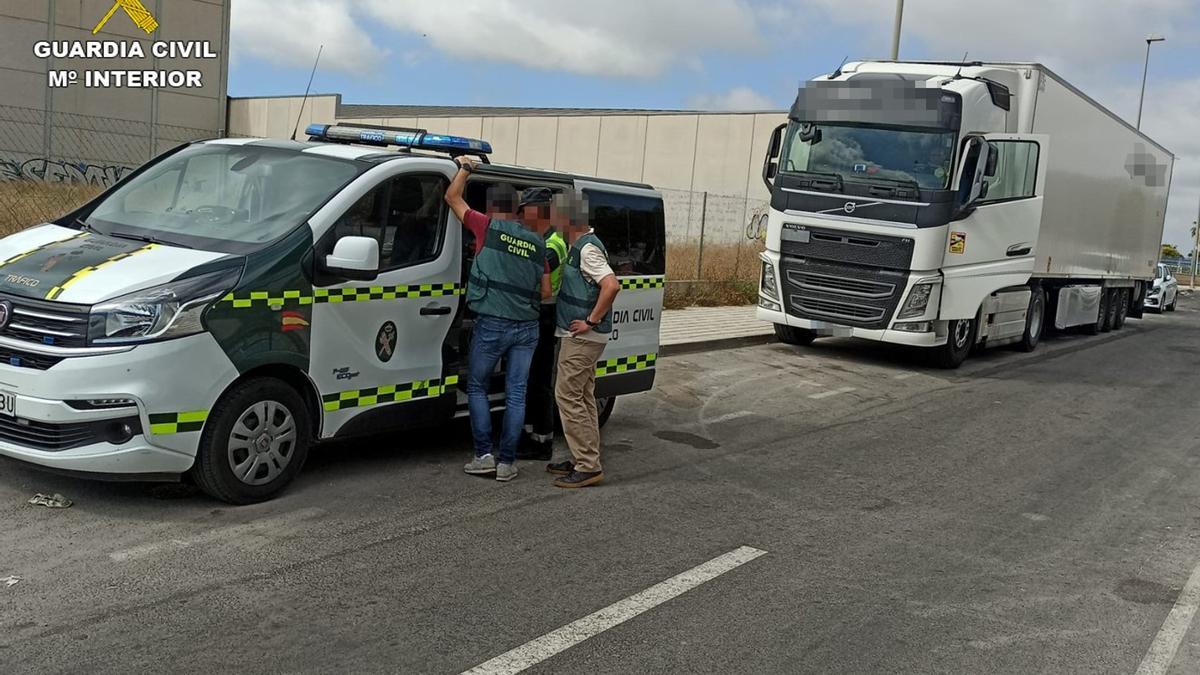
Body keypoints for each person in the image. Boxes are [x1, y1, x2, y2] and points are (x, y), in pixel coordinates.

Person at [444, 156, 549, 482]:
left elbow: (452, 198)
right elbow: (545, 291)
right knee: (516, 393)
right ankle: (506, 463)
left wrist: (465, 168)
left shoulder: (487, 227)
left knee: (476, 386)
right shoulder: (538, 244)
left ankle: (483, 456)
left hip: (492, 323)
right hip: (527, 328)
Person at [547, 195, 620, 488]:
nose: (553, 224)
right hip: (585, 336)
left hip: (582, 337)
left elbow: (611, 285)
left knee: (567, 396)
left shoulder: (587, 249)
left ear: (568, 219)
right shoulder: (582, 245)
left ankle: (588, 465)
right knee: (584, 395)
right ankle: (584, 457)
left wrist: (590, 320)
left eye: (555, 217)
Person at [518, 189, 568, 461]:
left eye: (526, 211)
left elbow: (536, 278)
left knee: (539, 380)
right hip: (538, 314)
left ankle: (542, 442)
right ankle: (528, 435)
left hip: (545, 315)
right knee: (530, 378)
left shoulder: (553, 244)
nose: (523, 217)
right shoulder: (543, 238)